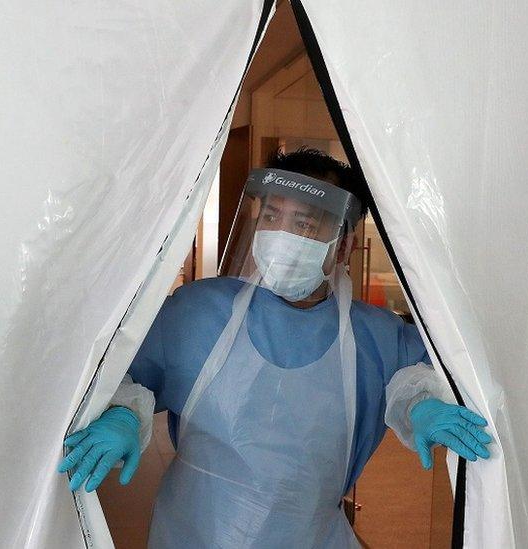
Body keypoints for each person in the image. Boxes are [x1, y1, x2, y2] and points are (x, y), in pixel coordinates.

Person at [58, 149, 493, 548]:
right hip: (195, 530)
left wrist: (423, 405)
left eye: (304, 224)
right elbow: (127, 374)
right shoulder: (197, 311)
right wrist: (118, 415)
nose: (281, 236)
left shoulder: (377, 336)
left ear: (342, 243)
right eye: (271, 216)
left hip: (309, 535)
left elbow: (423, 378)